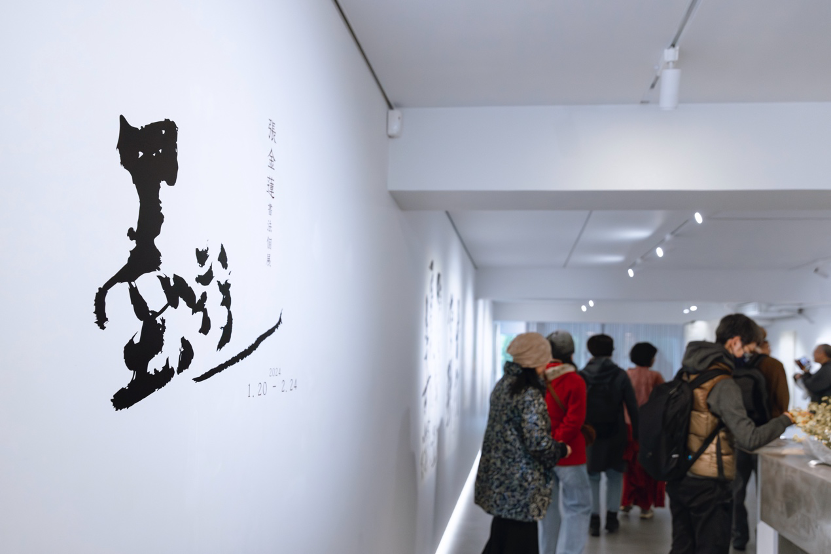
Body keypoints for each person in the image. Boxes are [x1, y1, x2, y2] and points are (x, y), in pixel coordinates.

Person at [668, 314, 794, 554]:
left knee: (682, 547)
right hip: (710, 484)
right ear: (735, 342)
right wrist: (785, 420)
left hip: (680, 476)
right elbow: (749, 438)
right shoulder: (724, 383)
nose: (747, 355)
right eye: (748, 348)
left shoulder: (686, 372)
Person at [475, 332, 571, 554]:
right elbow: (537, 442)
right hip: (521, 486)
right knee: (519, 543)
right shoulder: (529, 394)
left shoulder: (504, 385)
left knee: (500, 540)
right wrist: (560, 449)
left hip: (501, 482)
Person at [732, 334, 788, 550]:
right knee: (767, 492)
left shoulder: (732, 365)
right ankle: (764, 540)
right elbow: (782, 402)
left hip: (738, 436)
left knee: (737, 491)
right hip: (766, 436)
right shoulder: (773, 365)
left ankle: (739, 537)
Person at [538, 330, 592, 554]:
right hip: (569, 454)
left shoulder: (537, 378)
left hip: (541, 454)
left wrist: (546, 444)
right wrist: (558, 442)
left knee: (547, 509)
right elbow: (575, 420)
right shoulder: (574, 380)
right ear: (571, 353)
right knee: (578, 507)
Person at [579, 334, 639, 537]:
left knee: (592, 476)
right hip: (616, 431)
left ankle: (594, 520)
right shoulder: (620, 375)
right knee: (615, 475)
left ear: (590, 350)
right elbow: (632, 406)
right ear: (612, 351)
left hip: (590, 434)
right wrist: (637, 434)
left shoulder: (582, 375)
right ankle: (612, 519)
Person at [620, 342, 665, 520]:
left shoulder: (626, 375)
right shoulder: (655, 376)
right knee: (647, 467)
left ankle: (626, 501)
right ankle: (645, 506)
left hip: (627, 426)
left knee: (629, 466)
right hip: (649, 427)